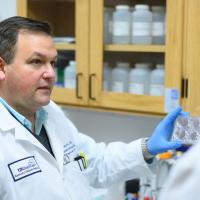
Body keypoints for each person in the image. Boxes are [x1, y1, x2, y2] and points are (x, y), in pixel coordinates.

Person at [0, 16, 184, 200]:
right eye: (36, 62)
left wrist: (148, 148)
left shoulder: (49, 113)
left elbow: (93, 163)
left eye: (53, 63)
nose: (50, 73)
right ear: (2, 68)